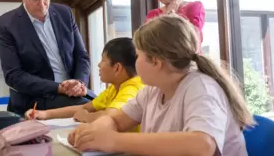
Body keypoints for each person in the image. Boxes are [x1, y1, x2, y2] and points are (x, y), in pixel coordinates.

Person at [68, 14, 254, 156]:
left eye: (138, 55)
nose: (135, 61)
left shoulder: (201, 88)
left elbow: (202, 145)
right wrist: (93, 132)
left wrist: (114, 140)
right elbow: (116, 119)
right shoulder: (153, 89)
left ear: (155, 61)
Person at [0, 0, 96, 115]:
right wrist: (59, 87)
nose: (42, 4)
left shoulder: (65, 14)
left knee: (107, 107)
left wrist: (79, 83)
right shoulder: (6, 24)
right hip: (36, 98)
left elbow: (81, 56)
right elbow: (14, 76)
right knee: (91, 112)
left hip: (73, 93)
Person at [25, 38, 144, 130]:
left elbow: (111, 117)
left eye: (103, 60)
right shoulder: (115, 87)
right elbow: (84, 108)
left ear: (117, 68)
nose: (98, 65)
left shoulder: (132, 88)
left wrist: (87, 117)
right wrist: (44, 114)